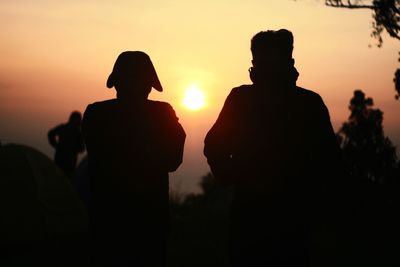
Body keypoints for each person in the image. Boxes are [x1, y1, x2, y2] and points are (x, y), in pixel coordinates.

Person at [204, 29, 343, 266]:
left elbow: (214, 146)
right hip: (287, 218)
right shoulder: (309, 102)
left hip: (260, 217)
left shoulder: (243, 99)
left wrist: (233, 177)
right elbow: (331, 163)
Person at [82, 51, 185, 266]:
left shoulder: (96, 114)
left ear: (116, 82)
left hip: (109, 220)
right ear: (149, 84)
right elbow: (173, 159)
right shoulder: (163, 114)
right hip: (147, 221)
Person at [48, 111, 85, 177]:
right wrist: (56, 145)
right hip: (67, 161)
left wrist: (56, 145)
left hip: (63, 159)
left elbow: (51, 133)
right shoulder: (77, 133)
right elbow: (81, 149)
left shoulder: (66, 128)